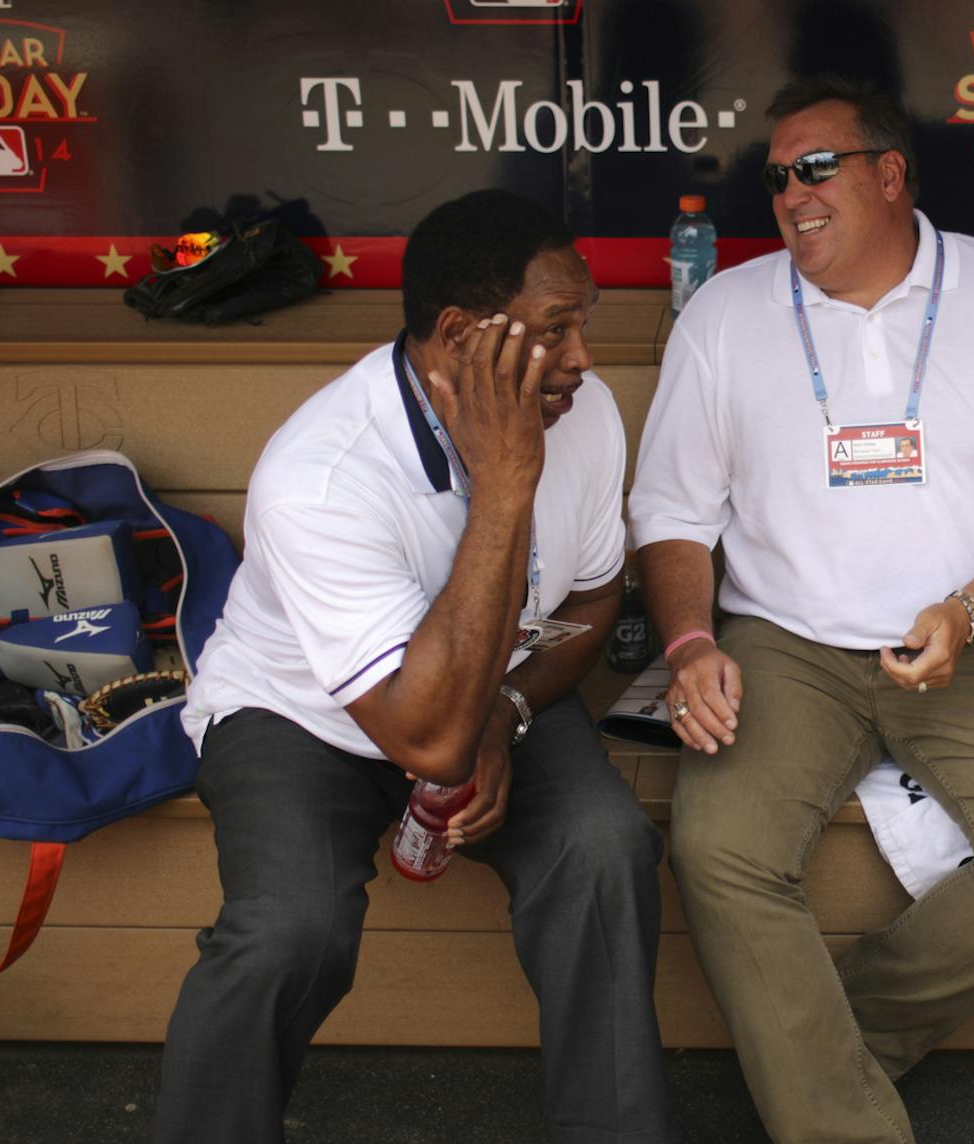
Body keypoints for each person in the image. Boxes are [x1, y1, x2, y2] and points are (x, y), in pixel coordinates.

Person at [628, 74, 974, 1143]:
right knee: (720, 852)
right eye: (777, 179)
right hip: (785, 642)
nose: (792, 196)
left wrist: (972, 608)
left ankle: (824, 1046)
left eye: (816, 168)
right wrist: (690, 642)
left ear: (891, 172)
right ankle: (838, 1113)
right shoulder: (724, 311)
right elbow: (671, 511)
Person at [155, 189, 676, 1144]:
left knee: (604, 851)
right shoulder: (321, 476)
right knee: (288, 931)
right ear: (461, 336)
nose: (584, 359)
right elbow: (427, 739)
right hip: (302, 717)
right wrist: (506, 481)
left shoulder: (585, 413)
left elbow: (594, 600)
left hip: (496, 691)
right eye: (555, 329)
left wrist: (507, 711)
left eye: (584, 324)